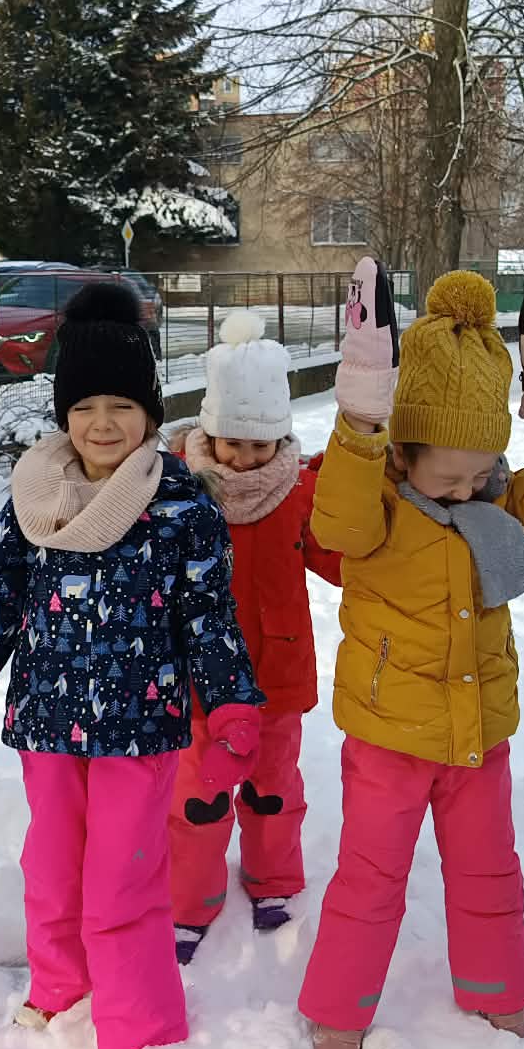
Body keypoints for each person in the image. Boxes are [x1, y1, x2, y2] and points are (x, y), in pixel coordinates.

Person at [0, 281, 264, 1049]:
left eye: (122, 406)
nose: (103, 423)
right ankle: (59, 984)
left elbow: (209, 617)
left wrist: (233, 706)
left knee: (122, 879)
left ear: (150, 415)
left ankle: (139, 1026)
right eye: (85, 406)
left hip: (141, 729)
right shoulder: (32, 501)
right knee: (51, 868)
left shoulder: (181, 506)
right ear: (64, 414)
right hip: (47, 723)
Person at [298, 260, 524, 1049]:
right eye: (449, 476)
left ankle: (497, 993)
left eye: (481, 472)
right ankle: (338, 1014)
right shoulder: (376, 509)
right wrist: (360, 416)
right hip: (389, 739)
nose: (469, 490)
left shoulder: (496, 502)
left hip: (478, 735)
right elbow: (334, 522)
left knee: (488, 870)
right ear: (402, 453)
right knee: (370, 882)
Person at [164, 309, 341, 963]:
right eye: (231, 442)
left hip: (277, 679)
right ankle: (190, 900)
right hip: (198, 684)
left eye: (260, 445)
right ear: (208, 431)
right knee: (197, 798)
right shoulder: (176, 491)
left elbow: (337, 561)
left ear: (281, 437)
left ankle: (273, 879)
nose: (244, 458)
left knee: (273, 790)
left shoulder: (298, 491)